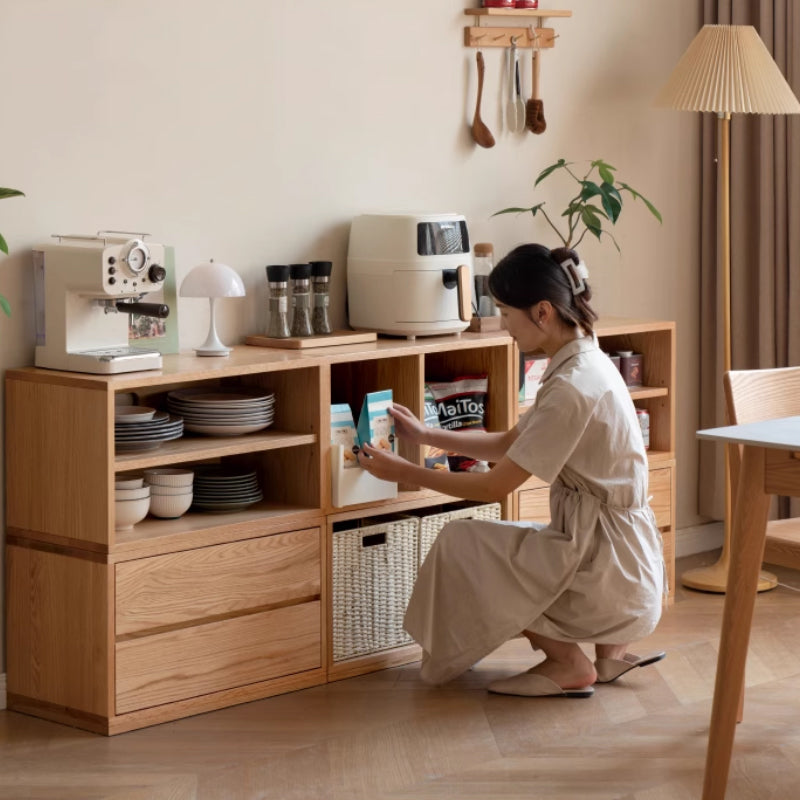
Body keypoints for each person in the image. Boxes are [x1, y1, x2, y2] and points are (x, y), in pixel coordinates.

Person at [357, 243, 666, 698]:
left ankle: (568, 664)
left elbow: (494, 485)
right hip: (625, 556)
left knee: (462, 542)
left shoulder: (571, 387)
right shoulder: (586, 360)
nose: (503, 325)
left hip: (604, 565)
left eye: (505, 313)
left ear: (542, 311)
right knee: (513, 541)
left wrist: (405, 471)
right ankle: (609, 656)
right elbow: (508, 443)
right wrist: (425, 436)